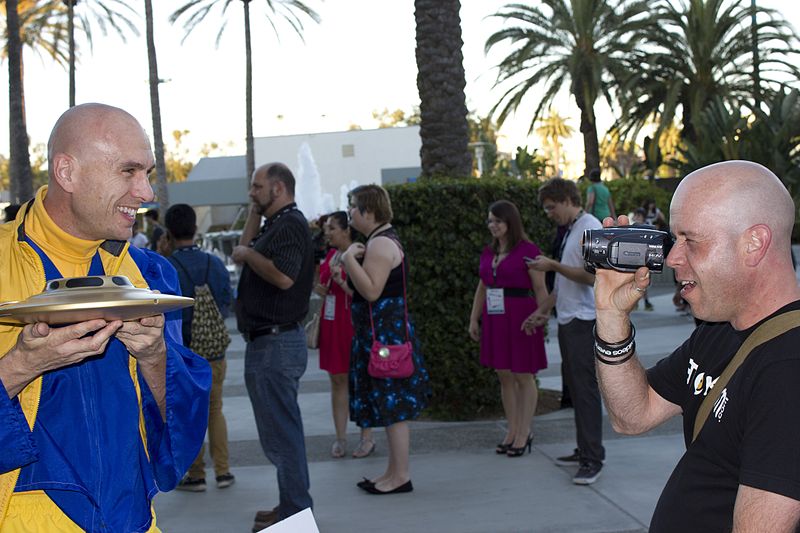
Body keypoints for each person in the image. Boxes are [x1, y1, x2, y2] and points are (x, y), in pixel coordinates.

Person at [0, 103, 211, 530]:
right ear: (67, 173)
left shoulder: (150, 276)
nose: (147, 193)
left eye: (147, 173)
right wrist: (22, 366)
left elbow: (180, 429)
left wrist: (154, 357)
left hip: (134, 518)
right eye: (128, 172)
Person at [594, 160, 800, 531]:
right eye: (674, 240)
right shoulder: (721, 328)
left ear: (754, 243)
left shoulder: (788, 368)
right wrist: (610, 316)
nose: (672, 258)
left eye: (692, 241)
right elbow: (633, 415)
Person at [231, 162, 314, 531]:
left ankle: (296, 514)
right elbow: (241, 248)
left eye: (257, 186)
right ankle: (290, 507)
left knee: (283, 436)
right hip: (268, 343)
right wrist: (253, 212)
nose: (252, 192)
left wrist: (250, 257)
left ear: (278, 188)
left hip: (277, 343)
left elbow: (283, 276)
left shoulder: (291, 224)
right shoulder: (275, 223)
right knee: (278, 434)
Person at [342, 184, 430, 495]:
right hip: (385, 339)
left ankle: (400, 476)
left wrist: (347, 259)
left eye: (354, 207)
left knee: (394, 408)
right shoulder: (381, 240)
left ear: (368, 211)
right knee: (391, 406)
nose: (350, 212)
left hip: (386, 342)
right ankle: (393, 472)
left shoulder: (379, 244)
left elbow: (371, 291)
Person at [526, 177, 605, 485]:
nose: (549, 213)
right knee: (576, 391)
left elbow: (592, 276)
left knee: (585, 392)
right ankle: (585, 449)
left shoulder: (590, 226)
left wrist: (554, 266)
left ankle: (592, 458)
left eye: (551, 207)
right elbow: (564, 286)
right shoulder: (573, 229)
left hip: (584, 321)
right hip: (571, 320)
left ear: (567, 200)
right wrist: (542, 311)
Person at [468, 200, 549, 457]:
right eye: (490, 221)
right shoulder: (488, 252)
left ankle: (525, 432)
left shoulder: (528, 250)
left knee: (524, 375)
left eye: (498, 221)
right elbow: (482, 287)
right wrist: (474, 318)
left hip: (522, 316)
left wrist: (541, 314)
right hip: (495, 318)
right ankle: (512, 430)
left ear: (510, 222)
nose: (493, 225)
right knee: (503, 374)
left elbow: (540, 289)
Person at [165, 203, 235, 492]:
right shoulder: (214, 263)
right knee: (215, 409)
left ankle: (196, 474)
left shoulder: (166, 266)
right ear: (195, 229)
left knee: (190, 412)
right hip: (214, 349)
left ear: (168, 233)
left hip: (185, 352)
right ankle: (223, 471)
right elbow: (227, 301)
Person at [315, 211, 375, 459]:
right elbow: (321, 290)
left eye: (332, 228)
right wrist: (320, 284)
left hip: (351, 322)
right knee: (336, 380)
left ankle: (366, 436)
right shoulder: (330, 255)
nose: (327, 233)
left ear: (346, 230)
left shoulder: (359, 253)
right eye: (326, 228)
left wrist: (342, 283)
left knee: (359, 380)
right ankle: (340, 437)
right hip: (331, 323)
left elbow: (365, 293)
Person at [631, 208, 654, 311]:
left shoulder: (646, 228)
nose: (636, 217)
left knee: (644, 281)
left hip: (644, 259)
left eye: (638, 216)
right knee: (636, 281)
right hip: (636, 258)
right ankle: (637, 302)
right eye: (635, 215)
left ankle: (644, 301)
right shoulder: (633, 228)